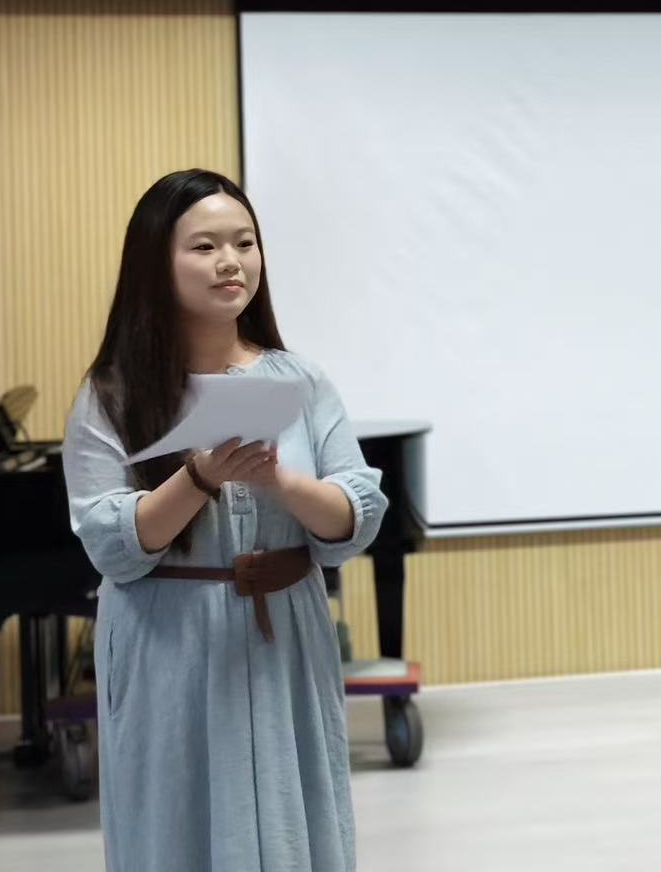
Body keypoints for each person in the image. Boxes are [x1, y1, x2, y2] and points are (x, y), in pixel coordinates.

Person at [62, 169, 386, 872]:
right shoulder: (112, 393)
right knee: (177, 826)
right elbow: (111, 545)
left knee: (296, 816)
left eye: (244, 242)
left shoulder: (301, 380)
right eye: (204, 247)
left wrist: (279, 480)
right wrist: (200, 476)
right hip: (168, 641)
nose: (230, 262)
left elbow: (353, 519)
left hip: (285, 631)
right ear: (155, 263)